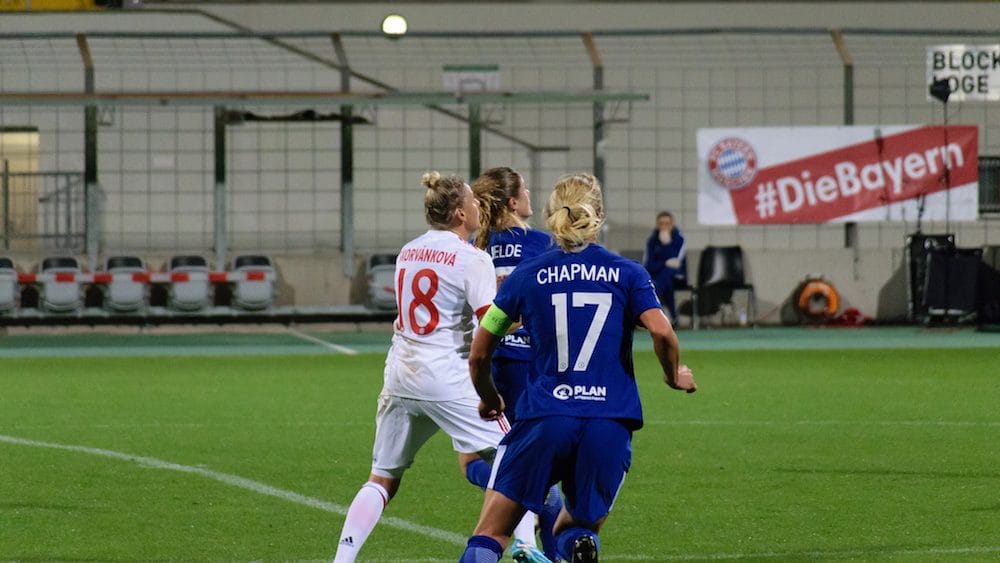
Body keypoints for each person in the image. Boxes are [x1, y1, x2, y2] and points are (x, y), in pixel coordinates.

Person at [458, 173, 697, 563]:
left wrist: (489, 397)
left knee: (492, 533)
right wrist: (673, 376)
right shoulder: (627, 273)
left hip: (546, 416)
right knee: (577, 527)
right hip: (609, 420)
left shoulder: (529, 275)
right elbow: (662, 332)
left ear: (553, 214)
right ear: (598, 215)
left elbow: (480, 351)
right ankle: (580, 547)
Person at [333, 171, 507, 563]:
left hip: (400, 373)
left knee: (382, 479)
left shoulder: (407, 251)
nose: (479, 207)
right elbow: (487, 322)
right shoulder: (473, 257)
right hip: (446, 375)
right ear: (460, 213)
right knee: (514, 456)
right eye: (473, 203)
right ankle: (527, 544)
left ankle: (342, 560)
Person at [470, 166, 563, 561]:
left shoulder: (478, 245)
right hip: (534, 365)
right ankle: (543, 539)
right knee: (544, 470)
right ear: (513, 202)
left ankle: (528, 531)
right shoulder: (544, 244)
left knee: (474, 459)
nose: (530, 195)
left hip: (491, 363)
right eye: (524, 189)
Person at [643, 211, 687, 325]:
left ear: (672, 225)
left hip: (677, 275)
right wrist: (665, 263)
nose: (664, 227)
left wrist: (666, 244)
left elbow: (676, 262)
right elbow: (649, 265)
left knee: (668, 273)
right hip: (658, 275)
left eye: (667, 224)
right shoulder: (651, 241)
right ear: (657, 225)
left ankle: (652, 304)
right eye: (661, 224)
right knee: (666, 280)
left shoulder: (679, 239)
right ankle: (673, 317)